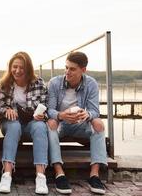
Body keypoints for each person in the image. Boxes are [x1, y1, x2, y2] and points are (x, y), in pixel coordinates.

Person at [47, 51, 107, 195]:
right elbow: (49, 110)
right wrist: (61, 115)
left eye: (72, 69)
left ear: (83, 70)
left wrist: (88, 115)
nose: (67, 72)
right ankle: (59, 173)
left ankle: (94, 175)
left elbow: (94, 111)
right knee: (50, 123)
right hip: (61, 123)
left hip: (80, 123)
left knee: (98, 124)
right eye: (66, 67)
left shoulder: (91, 83)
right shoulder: (55, 83)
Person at [0, 51, 49, 194]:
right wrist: (6, 110)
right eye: (14, 67)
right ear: (10, 67)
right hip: (11, 122)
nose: (17, 71)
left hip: (31, 122)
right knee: (13, 125)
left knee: (40, 127)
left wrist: (41, 115)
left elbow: (46, 107)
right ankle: (7, 174)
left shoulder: (39, 83)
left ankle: (40, 176)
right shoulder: (4, 84)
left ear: (28, 68)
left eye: (22, 67)